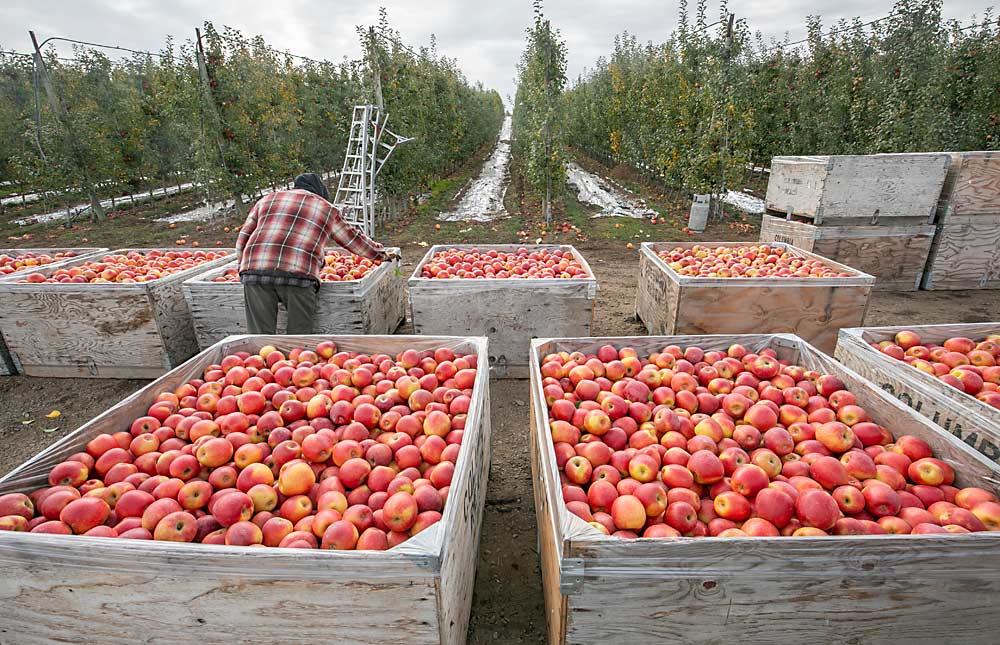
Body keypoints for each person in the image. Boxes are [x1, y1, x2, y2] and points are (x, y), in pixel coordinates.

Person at [235, 172, 397, 335]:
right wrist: (380, 254)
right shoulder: (326, 208)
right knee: (299, 337)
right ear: (320, 193)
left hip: (254, 272)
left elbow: (243, 237)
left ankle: (257, 359)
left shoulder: (266, 200)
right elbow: (352, 239)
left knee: (259, 337)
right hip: (298, 275)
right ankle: (296, 355)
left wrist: (242, 267)